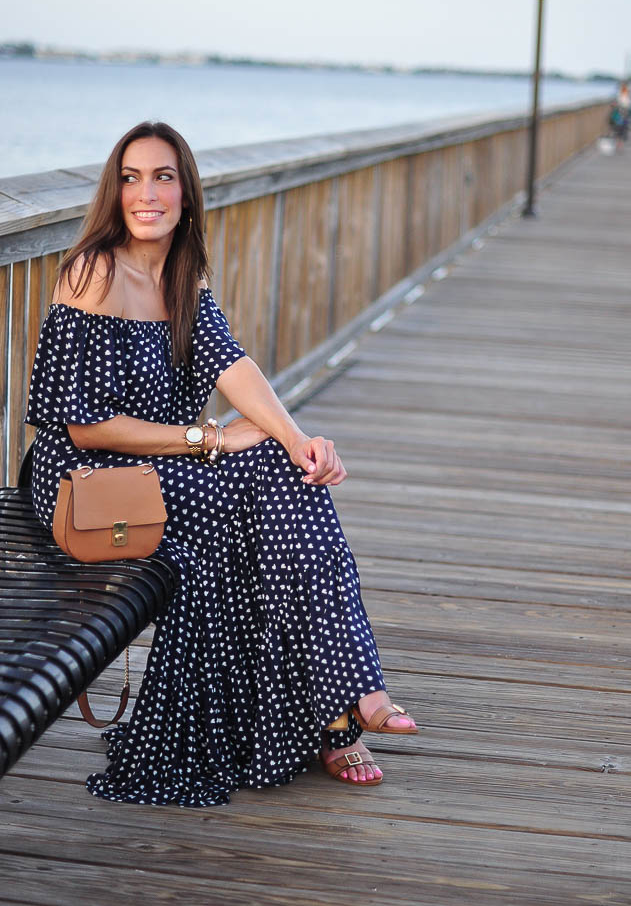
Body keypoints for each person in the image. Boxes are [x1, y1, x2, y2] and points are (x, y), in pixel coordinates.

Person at [25, 121, 417, 807]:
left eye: (163, 177)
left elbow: (231, 366)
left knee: (278, 471)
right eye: (131, 178)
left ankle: (344, 700)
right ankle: (345, 704)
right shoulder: (91, 272)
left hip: (153, 472)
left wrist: (295, 438)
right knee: (257, 499)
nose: (146, 193)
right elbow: (86, 428)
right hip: (85, 483)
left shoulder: (182, 274)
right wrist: (207, 440)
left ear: (186, 193)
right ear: (114, 193)